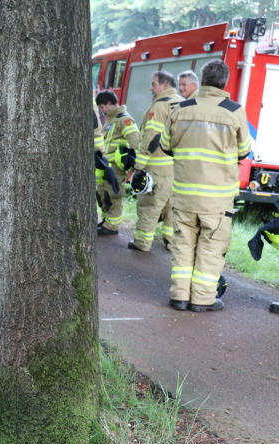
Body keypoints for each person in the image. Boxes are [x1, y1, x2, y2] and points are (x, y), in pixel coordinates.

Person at [160, 59, 251, 312]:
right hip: (217, 198)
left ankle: (179, 295)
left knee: (183, 244)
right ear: (225, 82)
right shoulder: (234, 110)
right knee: (211, 246)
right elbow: (244, 151)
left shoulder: (181, 107)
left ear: (202, 80)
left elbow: (166, 146)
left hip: (185, 194)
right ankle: (202, 299)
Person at [129, 71, 182, 252]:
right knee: (171, 209)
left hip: (157, 167)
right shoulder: (184, 104)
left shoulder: (160, 106)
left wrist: (139, 165)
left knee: (149, 207)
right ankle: (170, 242)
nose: (151, 88)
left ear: (164, 85)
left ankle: (141, 243)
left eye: (154, 84)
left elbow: (152, 137)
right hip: (177, 169)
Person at [95, 90, 140, 235]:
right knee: (102, 192)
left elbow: (134, 139)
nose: (101, 111)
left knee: (113, 194)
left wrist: (134, 162)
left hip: (116, 166)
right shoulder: (111, 119)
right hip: (107, 165)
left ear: (109, 103)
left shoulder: (123, 119)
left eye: (102, 107)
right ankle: (106, 220)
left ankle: (112, 226)